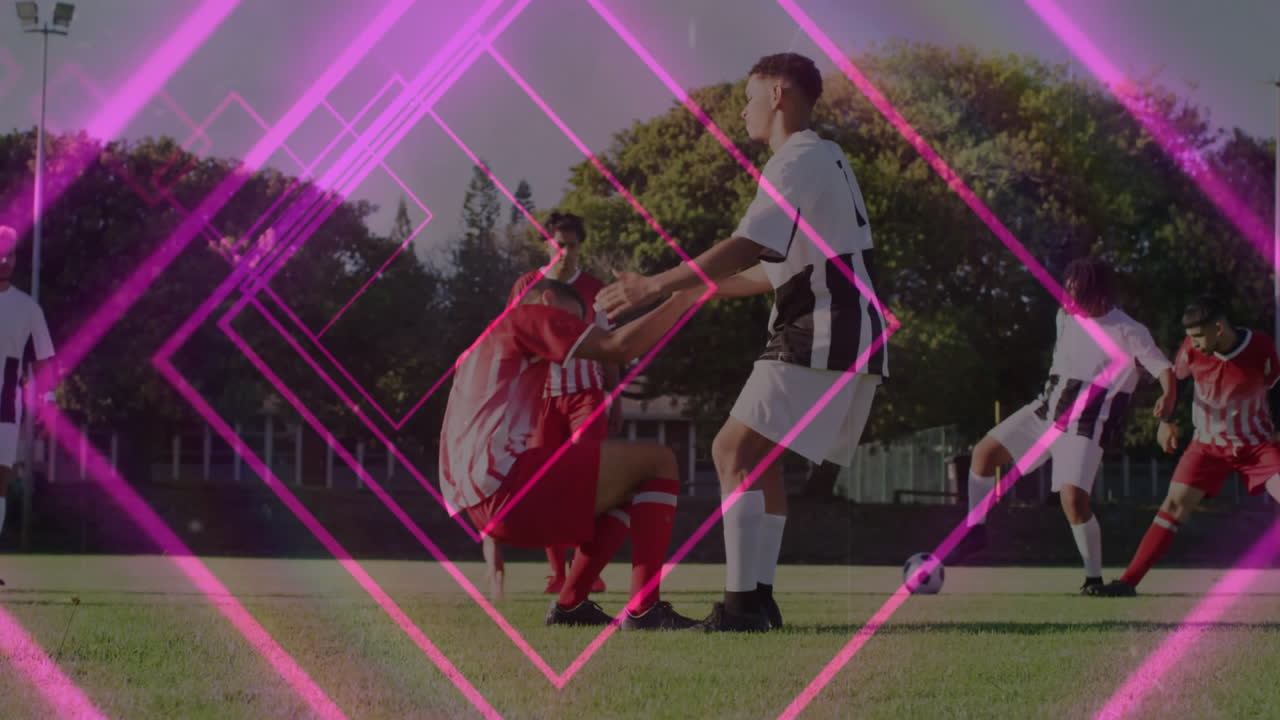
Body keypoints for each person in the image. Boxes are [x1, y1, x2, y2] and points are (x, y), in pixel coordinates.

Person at [597, 52, 888, 631]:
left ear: (778, 94)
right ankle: (758, 601)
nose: (741, 112)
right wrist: (694, 290)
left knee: (730, 451)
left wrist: (655, 285)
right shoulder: (825, 157)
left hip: (820, 329)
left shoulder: (796, 158)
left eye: (749, 98)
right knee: (761, 462)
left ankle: (740, 606)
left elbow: (745, 245)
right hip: (841, 329)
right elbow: (766, 272)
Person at [440, 277, 699, 629]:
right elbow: (620, 347)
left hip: (480, 499)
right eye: (572, 319)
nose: (575, 330)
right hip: (505, 486)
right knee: (659, 461)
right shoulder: (526, 317)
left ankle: (571, 607)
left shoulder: (483, 343)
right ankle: (645, 609)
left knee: (630, 483)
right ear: (547, 300)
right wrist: (683, 297)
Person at [951, 257, 1175, 593]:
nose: (1069, 300)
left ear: (1100, 294)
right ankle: (976, 531)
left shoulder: (1129, 330)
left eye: (1077, 294)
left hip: (1087, 425)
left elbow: (1163, 369)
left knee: (1073, 499)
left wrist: (1168, 399)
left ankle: (1093, 578)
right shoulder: (1065, 317)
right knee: (983, 454)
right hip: (1045, 411)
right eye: (1067, 291)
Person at [1088, 297, 1280, 597]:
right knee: (1173, 506)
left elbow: (1275, 388)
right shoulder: (1190, 350)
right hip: (1207, 446)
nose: (1194, 343)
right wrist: (1167, 421)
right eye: (1190, 337)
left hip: (1256, 445)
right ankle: (1127, 583)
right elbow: (1175, 384)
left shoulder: (1261, 346)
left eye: (1198, 336)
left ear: (1219, 328)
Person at [506, 211, 621, 596]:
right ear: (546, 244)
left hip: (586, 394)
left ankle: (585, 571)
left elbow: (609, 347)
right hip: (540, 399)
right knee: (544, 484)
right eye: (558, 244)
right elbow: (511, 338)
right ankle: (557, 574)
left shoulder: (595, 289)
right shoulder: (526, 286)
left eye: (572, 245)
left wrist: (616, 396)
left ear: (580, 246)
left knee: (587, 481)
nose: (565, 252)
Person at [0, 225, 57, 587]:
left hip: (4, 407)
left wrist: (48, 403)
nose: (5, 260)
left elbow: (43, 362)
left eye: (10, 254)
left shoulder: (28, 308)